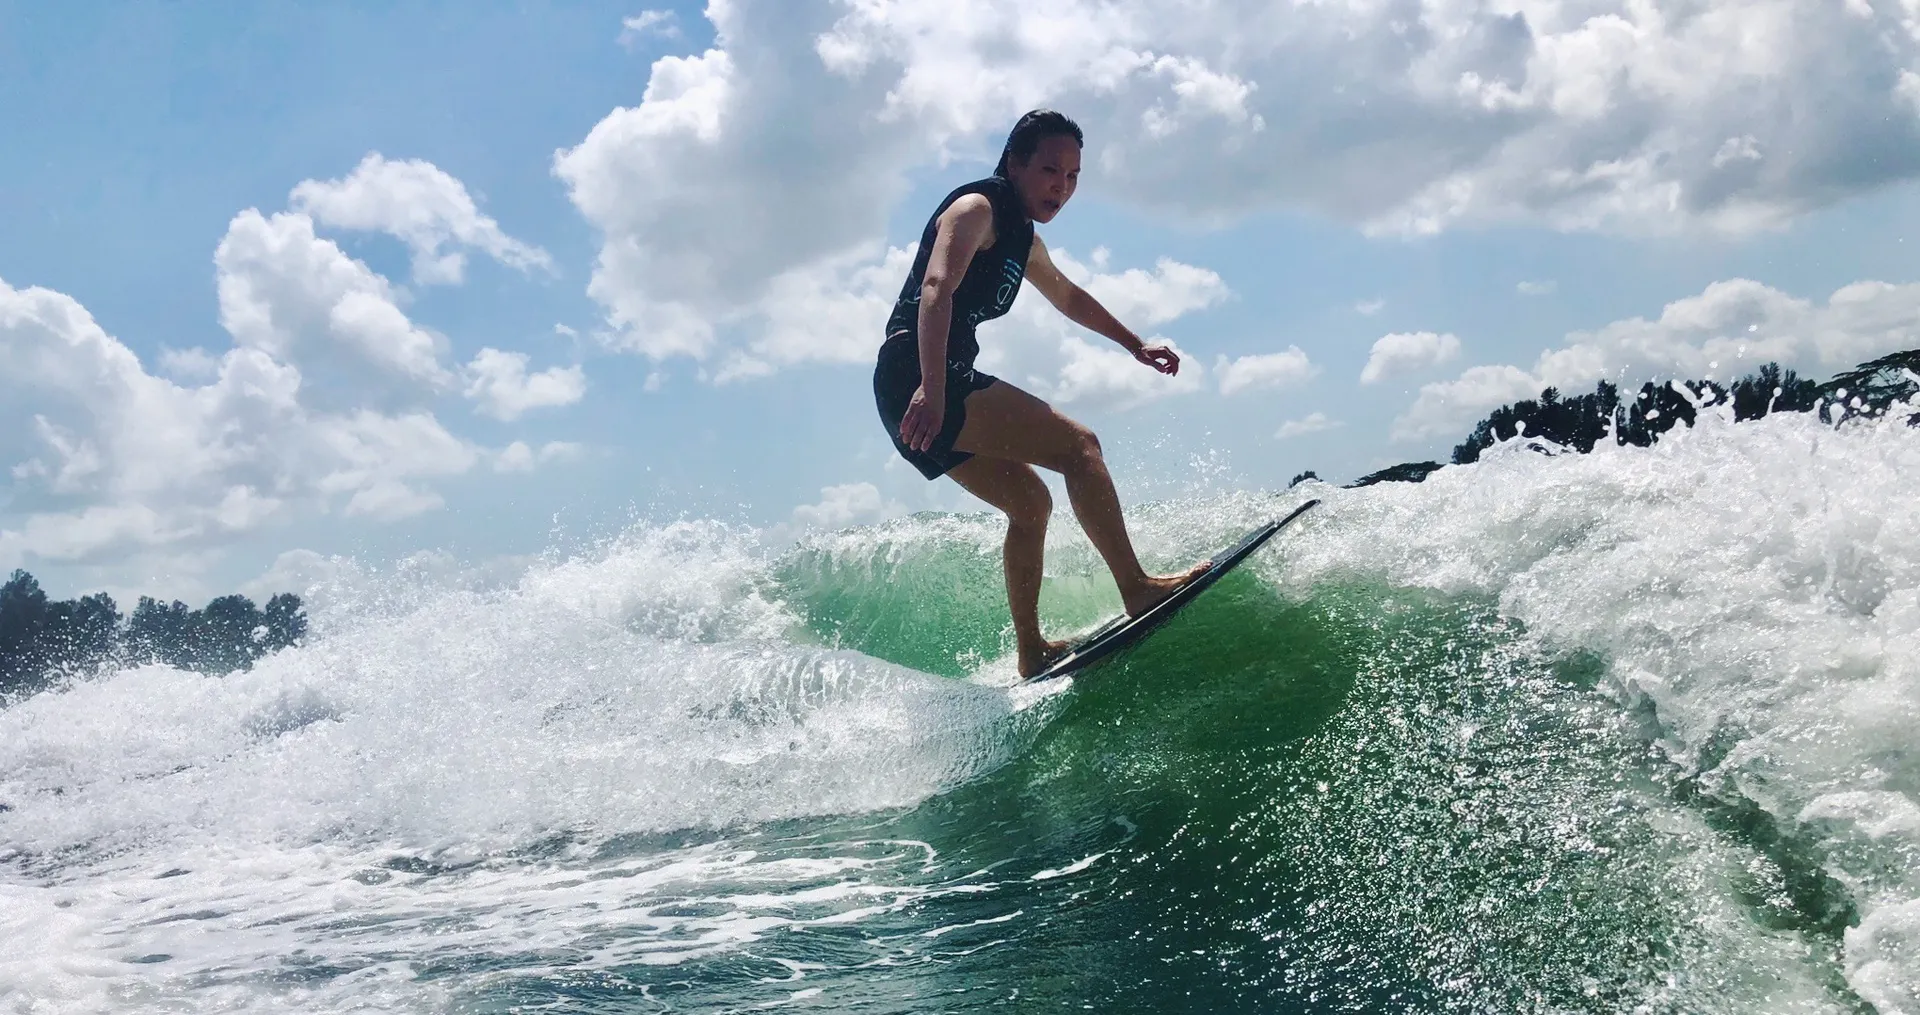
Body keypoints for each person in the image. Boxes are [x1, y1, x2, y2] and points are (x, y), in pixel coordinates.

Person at [873, 108, 1210, 679]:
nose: (1063, 185)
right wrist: (931, 389)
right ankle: (1136, 587)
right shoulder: (977, 209)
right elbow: (936, 288)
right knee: (1080, 448)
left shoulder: (1023, 239)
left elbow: (1067, 296)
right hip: (918, 375)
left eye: (1074, 175)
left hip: (921, 383)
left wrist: (1134, 344)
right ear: (1014, 163)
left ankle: (1031, 652)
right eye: (1051, 169)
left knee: (1031, 506)